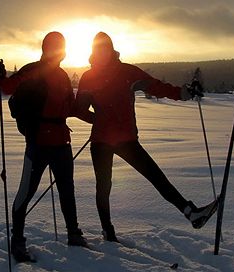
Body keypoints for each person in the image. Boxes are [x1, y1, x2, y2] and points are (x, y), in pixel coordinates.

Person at [75, 32, 218, 242]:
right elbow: (79, 109)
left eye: (105, 49)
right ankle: (108, 232)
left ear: (111, 49)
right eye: (98, 49)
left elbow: (156, 86)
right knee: (103, 187)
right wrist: (97, 119)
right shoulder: (89, 77)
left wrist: (183, 93)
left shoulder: (127, 72)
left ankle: (191, 213)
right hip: (101, 141)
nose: (102, 53)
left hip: (126, 140)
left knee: (157, 177)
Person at [0, 32, 88, 262]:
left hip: (61, 142)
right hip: (38, 143)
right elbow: (8, 87)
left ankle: (73, 234)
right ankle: (17, 242)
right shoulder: (33, 70)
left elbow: (71, 108)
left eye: (60, 47)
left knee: (67, 191)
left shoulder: (63, 76)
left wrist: (98, 119)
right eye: (55, 47)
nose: (58, 51)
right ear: (46, 49)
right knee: (26, 192)